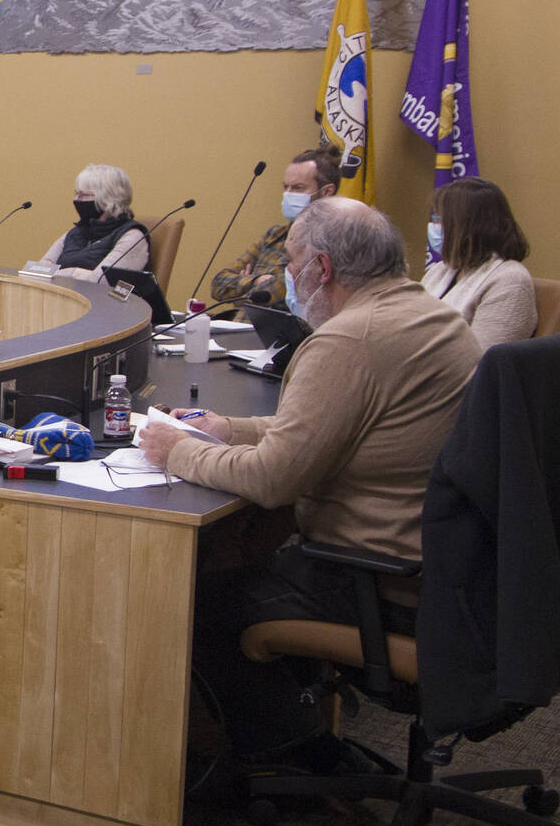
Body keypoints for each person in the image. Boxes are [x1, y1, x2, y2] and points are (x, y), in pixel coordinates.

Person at [138, 198, 481, 768]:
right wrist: (231, 428)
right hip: (449, 569)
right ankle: (292, 734)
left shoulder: (349, 341)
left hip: (381, 576)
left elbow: (273, 480)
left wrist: (181, 452)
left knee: (194, 597)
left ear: (321, 269)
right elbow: (336, 423)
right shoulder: (425, 313)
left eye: (292, 263)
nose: (287, 278)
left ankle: (290, 755)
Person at [209, 144, 341, 309]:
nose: (288, 194)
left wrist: (240, 296)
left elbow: (285, 288)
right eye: (286, 187)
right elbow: (218, 284)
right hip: (238, 328)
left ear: (327, 191)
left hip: (278, 333)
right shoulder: (275, 234)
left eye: (298, 188)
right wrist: (257, 280)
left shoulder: (333, 239)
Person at [421, 177, 538, 348]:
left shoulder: (511, 281)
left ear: (465, 226)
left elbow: (482, 360)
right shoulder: (441, 270)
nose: (434, 226)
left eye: (439, 219)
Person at [39, 164, 148, 282]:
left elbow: (100, 281)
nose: (75, 200)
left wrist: (66, 272)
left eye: (83, 195)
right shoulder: (76, 232)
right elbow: (38, 271)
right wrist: (76, 273)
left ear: (108, 198)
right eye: (76, 193)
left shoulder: (133, 237)